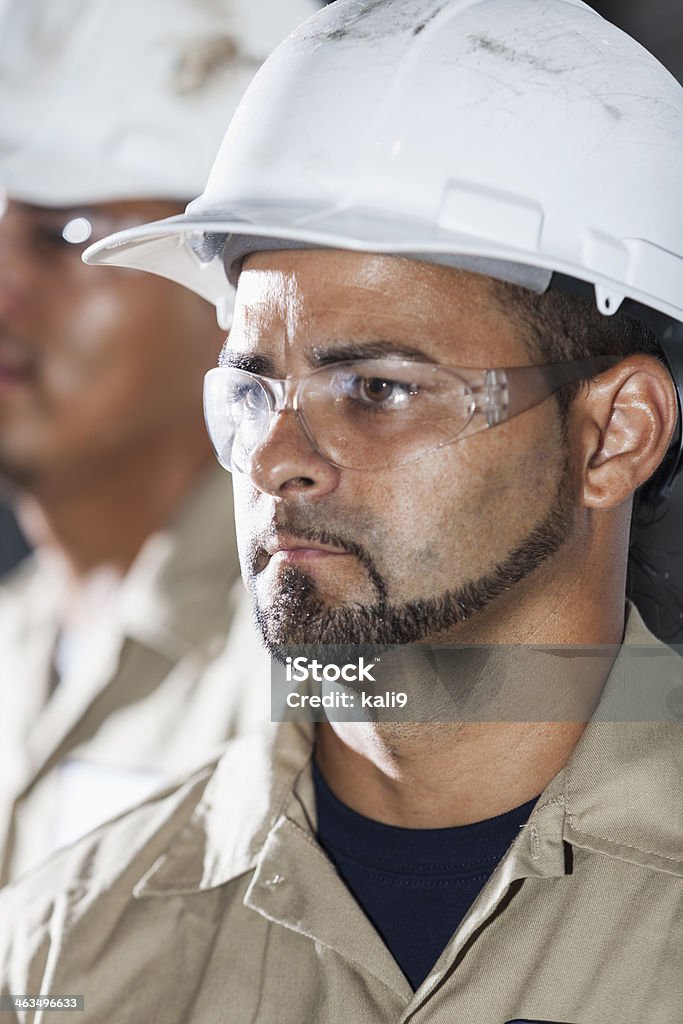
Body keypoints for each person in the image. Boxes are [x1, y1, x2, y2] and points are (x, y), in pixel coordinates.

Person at [2, 0, 683, 1020]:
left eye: (377, 389)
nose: (276, 457)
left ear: (611, 433)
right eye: (251, 388)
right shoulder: (63, 947)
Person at [0, 0, 319, 886]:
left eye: (64, 233)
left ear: (230, 288)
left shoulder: (339, 658)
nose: (2, 289)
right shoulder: (14, 644)